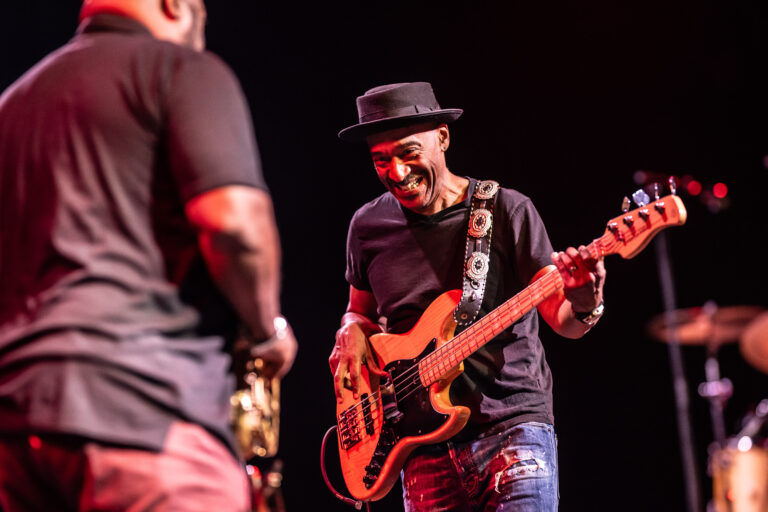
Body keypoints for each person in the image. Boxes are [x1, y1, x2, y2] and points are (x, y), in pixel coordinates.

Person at [0, 0, 297, 510]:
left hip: (16, 432)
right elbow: (237, 226)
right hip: (145, 415)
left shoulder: (12, 103)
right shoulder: (181, 69)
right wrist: (267, 332)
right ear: (176, 5)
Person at [329, 82, 606, 511]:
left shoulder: (506, 211)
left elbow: (563, 321)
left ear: (442, 138)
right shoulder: (366, 227)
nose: (397, 173)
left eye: (407, 152)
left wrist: (585, 299)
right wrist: (349, 330)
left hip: (512, 431)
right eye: (381, 160)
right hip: (419, 446)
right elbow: (358, 313)